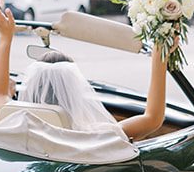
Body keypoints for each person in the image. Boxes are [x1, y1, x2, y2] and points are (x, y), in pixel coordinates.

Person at [18, 40, 169, 141]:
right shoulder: (94, 134)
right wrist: (160, 57)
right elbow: (153, 118)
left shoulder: (17, 129)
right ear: (75, 90)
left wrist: (5, 37)